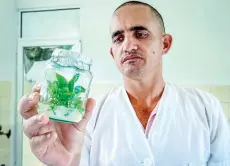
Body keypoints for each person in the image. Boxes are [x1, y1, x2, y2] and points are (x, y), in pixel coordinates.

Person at [18, 1, 230, 166]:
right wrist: (65, 163)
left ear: (165, 43)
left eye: (140, 34)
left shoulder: (206, 108)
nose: (129, 45)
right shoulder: (88, 117)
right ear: (113, 53)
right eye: (118, 38)